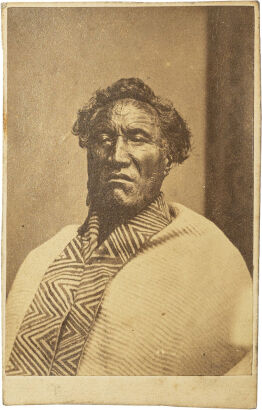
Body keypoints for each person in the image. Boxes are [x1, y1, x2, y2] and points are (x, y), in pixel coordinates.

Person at [5, 78, 252, 376]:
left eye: (137, 137)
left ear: (167, 156)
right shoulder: (43, 258)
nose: (117, 156)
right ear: (89, 154)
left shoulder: (210, 258)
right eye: (104, 138)